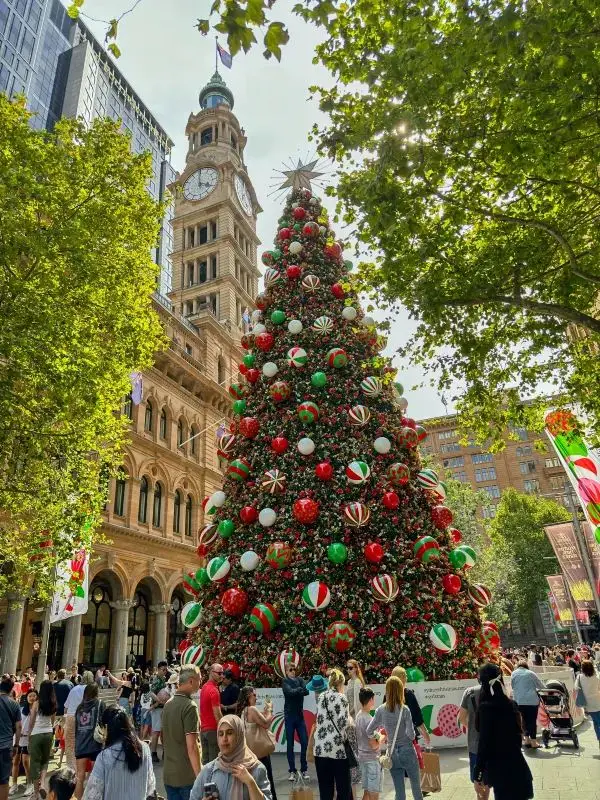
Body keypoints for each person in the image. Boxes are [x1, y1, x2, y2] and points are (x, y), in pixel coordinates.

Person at [475, 663, 533, 800]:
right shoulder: (511, 704)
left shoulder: (485, 709)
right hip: (519, 769)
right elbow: (518, 739)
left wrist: (478, 774)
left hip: (501, 773)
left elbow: (484, 744)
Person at [189, 715, 272, 800]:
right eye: (221, 734)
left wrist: (250, 783)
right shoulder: (208, 771)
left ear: (239, 735)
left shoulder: (256, 769)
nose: (224, 738)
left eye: (229, 733)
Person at [367, 676, 422, 800]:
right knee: (416, 786)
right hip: (407, 750)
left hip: (391, 753)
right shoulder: (405, 709)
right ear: (400, 690)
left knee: (399, 791)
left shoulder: (381, 709)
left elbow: (369, 730)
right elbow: (411, 734)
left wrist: (381, 736)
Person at [82, 706, 154, 800]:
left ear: (107, 728)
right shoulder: (144, 749)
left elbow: (92, 796)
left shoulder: (104, 757)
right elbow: (150, 787)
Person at [161, 665, 202, 800]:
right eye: (199, 679)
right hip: (186, 776)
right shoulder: (189, 706)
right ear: (191, 681)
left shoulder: (168, 704)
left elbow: (163, 737)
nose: (200, 683)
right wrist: (200, 776)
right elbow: (192, 746)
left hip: (169, 773)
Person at [313, 668, 352, 800]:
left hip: (320, 749)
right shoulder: (342, 698)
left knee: (325, 790)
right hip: (337, 750)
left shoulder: (321, 696)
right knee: (343, 788)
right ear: (341, 683)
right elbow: (343, 723)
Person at [238, 686, 277, 800]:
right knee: (267, 782)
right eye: (254, 695)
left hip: (250, 753)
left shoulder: (244, 710)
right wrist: (270, 709)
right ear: (248, 696)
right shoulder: (251, 709)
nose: (256, 697)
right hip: (260, 753)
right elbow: (266, 723)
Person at [458, 676, 488, 800]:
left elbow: (461, 718)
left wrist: (471, 728)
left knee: (478, 777)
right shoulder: (496, 693)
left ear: (478, 677)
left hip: (474, 743)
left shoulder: (469, 692)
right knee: (488, 779)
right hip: (493, 743)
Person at [73, 683, 105, 799]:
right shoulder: (100, 704)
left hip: (80, 745)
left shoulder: (79, 708)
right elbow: (103, 723)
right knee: (95, 777)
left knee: (79, 777)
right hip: (95, 744)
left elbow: (76, 728)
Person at [28, 679, 56, 800]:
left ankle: (35, 793)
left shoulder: (36, 703)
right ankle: (43, 784)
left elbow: (32, 720)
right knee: (45, 760)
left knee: (34, 762)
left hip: (37, 733)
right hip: (48, 733)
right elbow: (53, 721)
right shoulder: (53, 702)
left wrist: (29, 734)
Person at [281, 662, 309, 781]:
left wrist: (297, 690)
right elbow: (289, 692)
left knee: (304, 742)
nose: (293, 671)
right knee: (290, 745)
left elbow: (306, 691)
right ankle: (292, 770)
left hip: (299, 716)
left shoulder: (300, 679)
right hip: (289, 717)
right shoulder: (285, 681)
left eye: (294, 669)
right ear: (286, 672)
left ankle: (304, 769)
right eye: (290, 670)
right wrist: (299, 689)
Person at [391, 667, 431, 746]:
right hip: (408, 737)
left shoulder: (388, 695)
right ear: (401, 678)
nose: (406, 678)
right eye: (405, 676)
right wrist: (425, 732)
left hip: (393, 737)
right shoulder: (408, 694)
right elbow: (417, 715)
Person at [355, 687, 384, 800]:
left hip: (362, 758)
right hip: (372, 759)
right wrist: (382, 738)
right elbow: (373, 744)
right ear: (371, 699)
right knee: (374, 794)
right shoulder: (369, 719)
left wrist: (378, 735)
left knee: (367, 793)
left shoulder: (359, 715)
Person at [510, 661, 545, 748]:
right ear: (526, 667)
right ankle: (533, 741)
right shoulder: (531, 673)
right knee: (532, 721)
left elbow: (513, 686)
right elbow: (541, 686)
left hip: (518, 701)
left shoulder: (513, 673)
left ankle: (526, 740)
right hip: (531, 701)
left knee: (523, 721)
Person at [64, 672, 95, 771]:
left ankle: (70, 767)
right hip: (84, 718)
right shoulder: (90, 690)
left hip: (71, 716)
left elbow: (66, 706)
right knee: (83, 742)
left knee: (70, 744)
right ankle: (82, 768)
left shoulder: (74, 689)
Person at [10, 689, 36, 797]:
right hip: (18, 738)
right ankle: (14, 784)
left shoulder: (37, 710)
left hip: (29, 740)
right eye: (30, 696)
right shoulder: (21, 709)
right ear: (27, 697)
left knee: (26, 762)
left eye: (34, 696)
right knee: (15, 761)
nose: (32, 698)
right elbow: (17, 723)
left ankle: (30, 784)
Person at [0, 676, 22, 800]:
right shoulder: (14, 704)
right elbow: (19, 727)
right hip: (6, 746)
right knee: (3, 781)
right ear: (11, 690)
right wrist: (16, 745)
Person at [200, 664, 223, 765]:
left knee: (206, 763)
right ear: (211, 672)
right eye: (219, 673)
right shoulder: (214, 690)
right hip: (212, 730)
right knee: (214, 763)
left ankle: (205, 781)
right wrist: (223, 729)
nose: (221, 675)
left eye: (222, 673)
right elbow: (217, 714)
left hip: (204, 730)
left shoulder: (204, 687)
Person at [575, 659, 600, 745]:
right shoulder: (596, 678)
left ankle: (599, 738)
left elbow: (576, 688)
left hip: (588, 704)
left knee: (596, 722)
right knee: (598, 722)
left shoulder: (579, 677)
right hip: (598, 702)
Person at [149, 661, 170, 764]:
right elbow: (151, 692)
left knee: (164, 731)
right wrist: (159, 700)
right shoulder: (155, 679)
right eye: (163, 669)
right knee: (156, 732)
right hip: (157, 709)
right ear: (158, 669)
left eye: (166, 669)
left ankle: (165, 752)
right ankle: (153, 753)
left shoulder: (164, 679)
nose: (165, 671)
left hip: (164, 708)